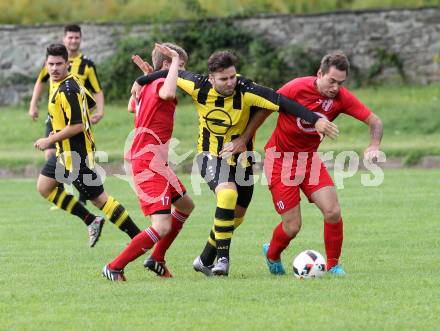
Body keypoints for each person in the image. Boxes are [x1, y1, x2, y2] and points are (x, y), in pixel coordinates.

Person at [131, 50, 339, 276]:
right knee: (227, 195)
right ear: (211, 79)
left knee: (236, 218)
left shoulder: (247, 90)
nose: (230, 82)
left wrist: (316, 119)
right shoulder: (197, 85)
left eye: (232, 77)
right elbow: (167, 74)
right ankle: (222, 259)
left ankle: (205, 259)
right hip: (210, 154)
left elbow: (283, 103)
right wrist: (140, 81)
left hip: (242, 161)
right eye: (224, 79)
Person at [225, 50, 383, 275]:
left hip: (309, 160)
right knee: (292, 226)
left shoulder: (341, 98)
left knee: (333, 211)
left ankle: (333, 266)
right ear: (319, 73)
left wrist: (374, 145)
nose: (335, 87)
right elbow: (265, 108)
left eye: (340, 83)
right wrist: (244, 139)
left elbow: (374, 121)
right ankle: (272, 253)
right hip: (279, 160)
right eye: (331, 81)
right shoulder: (296, 87)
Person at [102, 43, 194, 281]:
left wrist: (145, 78)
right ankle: (114, 266)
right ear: (166, 65)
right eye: (180, 66)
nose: (182, 72)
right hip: (147, 163)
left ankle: (157, 258)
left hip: (156, 163)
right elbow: (168, 93)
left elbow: (132, 107)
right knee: (161, 226)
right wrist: (173, 63)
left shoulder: (148, 84)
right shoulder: (162, 84)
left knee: (185, 205)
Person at [34, 44, 140, 248]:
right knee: (44, 187)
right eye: (51, 64)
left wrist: (50, 139)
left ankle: (140, 239)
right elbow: (88, 106)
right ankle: (91, 220)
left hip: (75, 157)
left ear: (67, 64)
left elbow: (77, 125)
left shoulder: (68, 89)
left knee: (101, 201)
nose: (54, 68)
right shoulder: (70, 82)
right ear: (46, 64)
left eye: (59, 64)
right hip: (62, 154)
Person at [29, 24, 104, 204]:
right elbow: (40, 82)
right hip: (54, 117)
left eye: (76, 37)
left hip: (74, 118)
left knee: (77, 156)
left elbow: (96, 91)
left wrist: (98, 111)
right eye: (70, 37)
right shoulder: (52, 63)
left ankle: (83, 193)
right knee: (51, 154)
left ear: (80, 39)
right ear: (64, 39)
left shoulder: (87, 65)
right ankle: (61, 190)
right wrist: (33, 104)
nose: (73, 40)